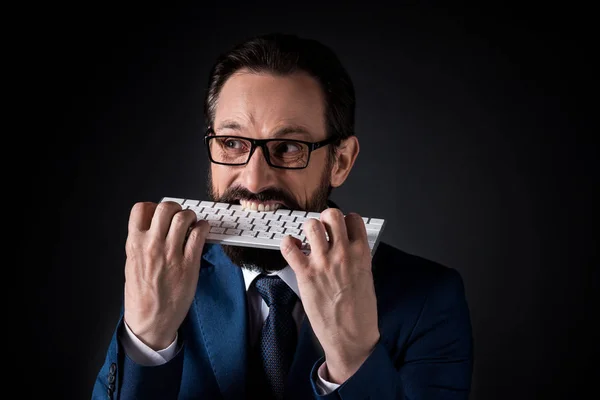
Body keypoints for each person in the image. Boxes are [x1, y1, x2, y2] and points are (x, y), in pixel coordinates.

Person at [92, 32, 473, 399]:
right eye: (232, 143)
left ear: (340, 162)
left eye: (288, 147)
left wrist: (353, 356)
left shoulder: (429, 299)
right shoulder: (160, 274)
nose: (255, 180)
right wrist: (147, 340)